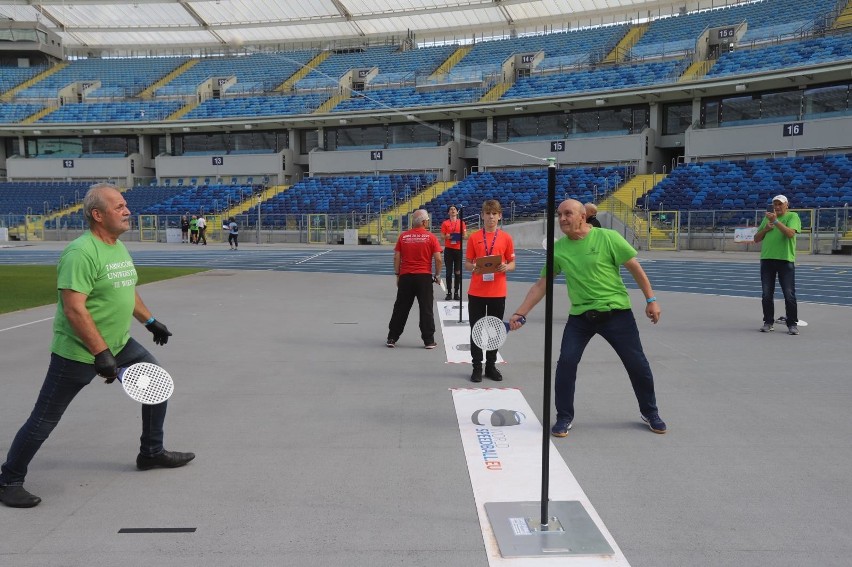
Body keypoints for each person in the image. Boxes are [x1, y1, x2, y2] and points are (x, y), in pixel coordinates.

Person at [0, 184, 194, 509]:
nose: (127, 210)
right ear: (97, 215)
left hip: (120, 344)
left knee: (158, 386)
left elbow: (125, 289)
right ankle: (9, 479)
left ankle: (151, 452)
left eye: (126, 205)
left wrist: (150, 321)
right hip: (78, 352)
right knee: (45, 418)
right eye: (119, 207)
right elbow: (74, 308)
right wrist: (100, 353)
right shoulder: (80, 252)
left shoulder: (116, 247)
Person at [508, 199, 666, 436]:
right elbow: (543, 283)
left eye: (568, 214)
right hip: (581, 317)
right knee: (566, 365)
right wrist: (521, 312)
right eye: (559, 214)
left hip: (617, 314)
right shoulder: (559, 249)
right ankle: (564, 417)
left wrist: (651, 300)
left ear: (582, 216)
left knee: (637, 364)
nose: (562, 219)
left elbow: (634, 267)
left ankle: (650, 412)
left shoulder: (608, 237)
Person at [465, 199, 515, 382]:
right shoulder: (473, 237)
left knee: (495, 331)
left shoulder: (506, 238)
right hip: (477, 291)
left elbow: (512, 263)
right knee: (476, 330)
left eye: (494, 214)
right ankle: (476, 367)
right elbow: (468, 263)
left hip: (497, 292)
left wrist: (505, 267)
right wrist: (474, 268)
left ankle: (491, 366)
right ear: (482, 215)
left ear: (500, 216)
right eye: (488, 213)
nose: (491, 217)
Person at [387, 209, 443, 349]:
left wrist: (397, 274)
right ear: (424, 222)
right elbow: (438, 259)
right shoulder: (431, 237)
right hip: (424, 277)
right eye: (427, 221)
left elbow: (396, 257)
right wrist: (437, 275)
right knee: (426, 308)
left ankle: (392, 337)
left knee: (401, 308)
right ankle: (428, 340)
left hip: (406, 276)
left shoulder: (403, 237)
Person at [754, 194, 801, 335]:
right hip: (767, 259)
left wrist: (775, 222)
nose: (777, 207)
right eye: (775, 204)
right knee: (767, 294)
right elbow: (756, 239)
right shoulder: (767, 218)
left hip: (785, 260)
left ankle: (792, 324)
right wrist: (765, 229)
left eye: (780, 204)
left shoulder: (793, 217)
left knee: (789, 294)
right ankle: (768, 322)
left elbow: (790, 234)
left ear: (787, 205)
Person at [440, 205, 467, 301]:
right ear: (448, 212)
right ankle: (449, 293)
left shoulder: (461, 223)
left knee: (458, 272)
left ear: (457, 212)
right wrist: (447, 236)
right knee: (448, 272)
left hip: (458, 250)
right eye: (451, 209)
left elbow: (465, 236)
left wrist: (459, 236)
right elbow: (442, 236)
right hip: (449, 250)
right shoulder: (445, 223)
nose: (453, 211)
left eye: (454, 209)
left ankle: (456, 292)